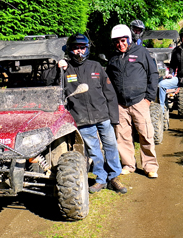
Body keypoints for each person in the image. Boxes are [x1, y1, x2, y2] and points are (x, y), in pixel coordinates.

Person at [52, 33, 127, 194]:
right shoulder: (65, 69)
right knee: (94, 150)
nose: (79, 51)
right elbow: (49, 84)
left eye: (82, 48)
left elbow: (110, 93)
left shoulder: (96, 66)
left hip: (102, 115)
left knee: (111, 146)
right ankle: (100, 179)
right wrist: (57, 68)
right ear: (70, 50)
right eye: (76, 48)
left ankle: (114, 177)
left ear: (87, 49)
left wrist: (114, 117)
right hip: (81, 118)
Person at [105, 24, 159, 178]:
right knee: (122, 136)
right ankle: (128, 164)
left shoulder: (141, 52)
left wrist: (148, 97)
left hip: (139, 101)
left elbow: (153, 74)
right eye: (117, 42)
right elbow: (108, 79)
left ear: (128, 39)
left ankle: (150, 166)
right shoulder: (113, 57)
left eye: (123, 41)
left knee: (146, 134)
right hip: (120, 104)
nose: (120, 44)